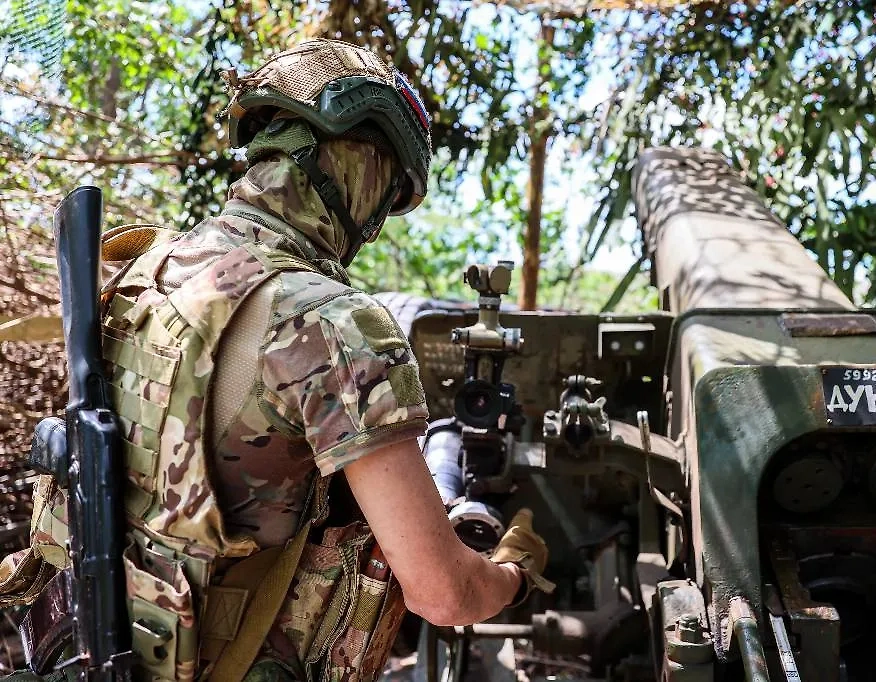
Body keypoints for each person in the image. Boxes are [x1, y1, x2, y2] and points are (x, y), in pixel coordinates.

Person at [0, 39, 551, 682]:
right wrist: (512, 573)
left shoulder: (137, 271)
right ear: (359, 166)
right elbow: (443, 593)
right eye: (387, 194)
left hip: (82, 653)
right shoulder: (331, 322)